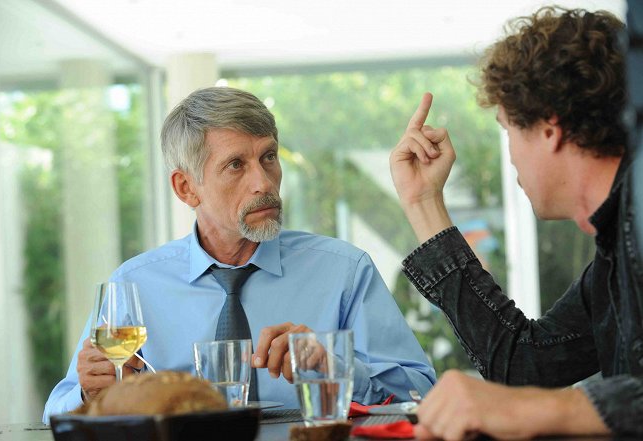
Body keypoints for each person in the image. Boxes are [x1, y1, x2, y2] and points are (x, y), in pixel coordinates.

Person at [43, 86, 436, 422]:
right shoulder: (134, 285)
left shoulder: (345, 272)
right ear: (186, 188)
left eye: (268, 156)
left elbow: (422, 395)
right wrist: (90, 396)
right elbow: (56, 411)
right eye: (236, 165)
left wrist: (334, 366)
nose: (263, 182)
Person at [389, 7, 642, 440]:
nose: (511, 157)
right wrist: (423, 203)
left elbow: (530, 392)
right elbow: (525, 364)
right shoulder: (615, 247)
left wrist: (543, 410)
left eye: (508, 130)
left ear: (549, 129)